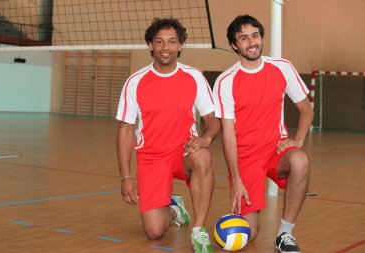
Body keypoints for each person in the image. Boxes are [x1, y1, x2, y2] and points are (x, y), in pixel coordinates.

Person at [116, 17, 220, 253]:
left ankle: (198, 229)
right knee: (154, 232)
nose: (166, 47)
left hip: (183, 152)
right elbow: (125, 129)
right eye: (160, 41)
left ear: (180, 45)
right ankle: (175, 209)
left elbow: (213, 120)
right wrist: (125, 177)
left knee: (203, 156)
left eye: (172, 41)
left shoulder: (193, 76)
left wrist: (206, 138)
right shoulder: (135, 82)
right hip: (151, 158)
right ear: (150, 45)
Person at [213, 15, 313, 253]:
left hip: (275, 149)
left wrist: (297, 140)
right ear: (235, 45)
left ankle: (284, 233)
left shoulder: (282, 67)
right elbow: (228, 135)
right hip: (246, 157)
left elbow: (306, 109)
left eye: (255, 35)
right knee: (247, 234)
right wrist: (236, 180)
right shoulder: (225, 81)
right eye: (244, 38)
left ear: (261, 37)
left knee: (300, 160)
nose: (252, 42)